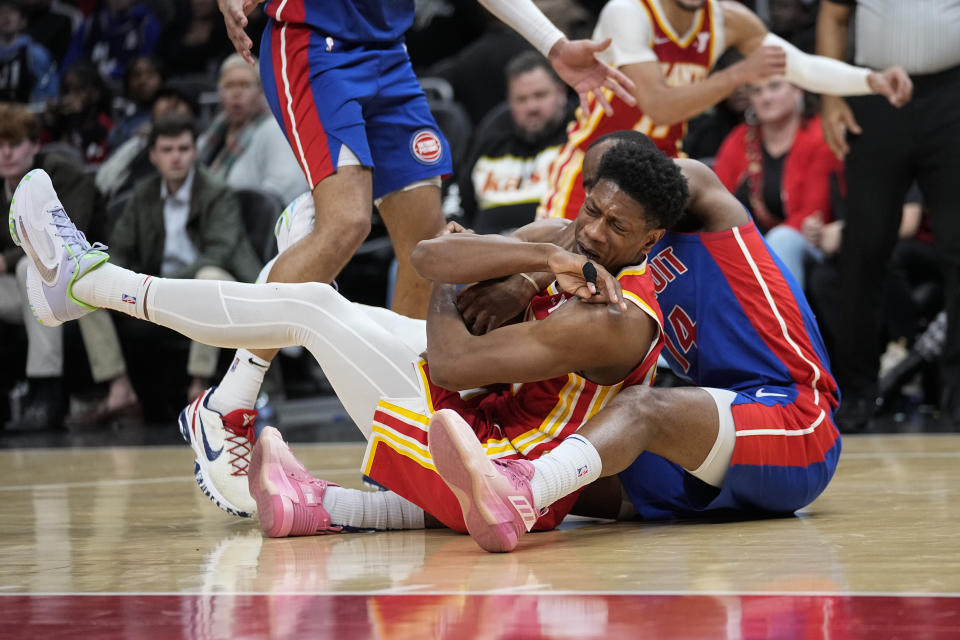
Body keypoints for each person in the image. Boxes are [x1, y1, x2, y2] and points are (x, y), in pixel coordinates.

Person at [8, 138, 686, 538]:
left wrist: (498, 271)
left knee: (309, 309)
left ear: (651, 239)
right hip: (471, 426)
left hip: (491, 479)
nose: (593, 232)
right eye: (591, 210)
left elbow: (449, 355)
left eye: (615, 227)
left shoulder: (618, 318)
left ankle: (93, 285)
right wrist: (530, 263)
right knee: (314, 301)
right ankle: (274, 452)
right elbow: (425, 258)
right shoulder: (562, 241)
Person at [183, 0, 638, 517]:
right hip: (314, 43)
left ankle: (403, 427)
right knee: (346, 224)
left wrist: (553, 43)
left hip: (388, 53)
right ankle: (226, 404)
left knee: (425, 243)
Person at [425, 130, 840, 552]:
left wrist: (527, 280)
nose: (592, 207)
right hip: (715, 434)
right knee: (551, 461)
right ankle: (374, 509)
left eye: (606, 180)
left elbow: (651, 183)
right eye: (590, 190)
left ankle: (526, 492)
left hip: (795, 416)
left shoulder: (697, 199)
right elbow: (443, 257)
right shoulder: (614, 255)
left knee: (637, 411)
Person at [538, 0, 912, 221]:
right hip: (594, 164)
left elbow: (798, 66)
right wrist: (739, 74)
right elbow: (658, 105)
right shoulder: (629, 11)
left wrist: (870, 80)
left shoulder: (728, 19)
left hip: (663, 165)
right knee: (555, 281)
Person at [816, 0, 960, 430]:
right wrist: (830, 95)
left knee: (959, 249)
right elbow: (833, 15)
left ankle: (956, 398)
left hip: (954, 94)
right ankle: (856, 392)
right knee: (864, 247)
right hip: (874, 93)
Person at [0, 101, 138, 429]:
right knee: (26, 276)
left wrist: (6, 260)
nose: (6, 153)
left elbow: (65, 242)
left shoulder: (65, 175)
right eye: (0, 145)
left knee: (28, 270)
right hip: (25, 291)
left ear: (35, 145)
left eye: (15, 144)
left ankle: (46, 393)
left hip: (86, 270)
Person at [109, 112, 262, 402]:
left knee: (208, 278)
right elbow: (118, 247)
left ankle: (198, 383)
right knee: (91, 285)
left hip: (217, 285)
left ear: (195, 151)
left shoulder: (217, 192)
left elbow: (219, 253)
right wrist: (117, 283)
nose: (176, 157)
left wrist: (162, 286)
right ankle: (118, 388)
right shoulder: (143, 194)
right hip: (156, 289)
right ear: (153, 156)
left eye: (183, 149)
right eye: (167, 150)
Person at [712, 75, 842, 288]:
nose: (765, 98)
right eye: (757, 91)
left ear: (798, 89)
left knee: (782, 240)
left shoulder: (820, 135)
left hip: (806, 242)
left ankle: (784, 321)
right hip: (744, 245)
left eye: (774, 87)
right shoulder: (738, 139)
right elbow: (715, 199)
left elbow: (814, 212)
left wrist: (755, 248)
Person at [459, 50, 574, 234]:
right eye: (521, 99)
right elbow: (459, 200)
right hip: (486, 252)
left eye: (540, 95)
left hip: (556, 250)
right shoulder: (492, 132)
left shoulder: (580, 131)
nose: (531, 107)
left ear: (561, 92)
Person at [197, 53, 307, 205]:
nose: (236, 93)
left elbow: (287, 185)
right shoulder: (212, 133)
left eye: (245, 85)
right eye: (229, 85)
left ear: (261, 91)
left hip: (253, 224)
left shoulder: (274, 129)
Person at [0, 0, 57, 104]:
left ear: (23, 21)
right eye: (2, 12)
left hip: (23, 116)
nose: (6, 16)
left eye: (12, 12)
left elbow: (48, 95)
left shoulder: (36, 54)